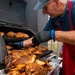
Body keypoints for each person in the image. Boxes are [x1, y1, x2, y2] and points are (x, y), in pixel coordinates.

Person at [18, 0, 75, 75]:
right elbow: (40, 37)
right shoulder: (55, 17)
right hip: (70, 55)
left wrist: (53, 34)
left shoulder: (74, 9)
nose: (44, 12)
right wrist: (21, 44)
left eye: (45, 8)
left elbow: (50, 34)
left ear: (57, 3)